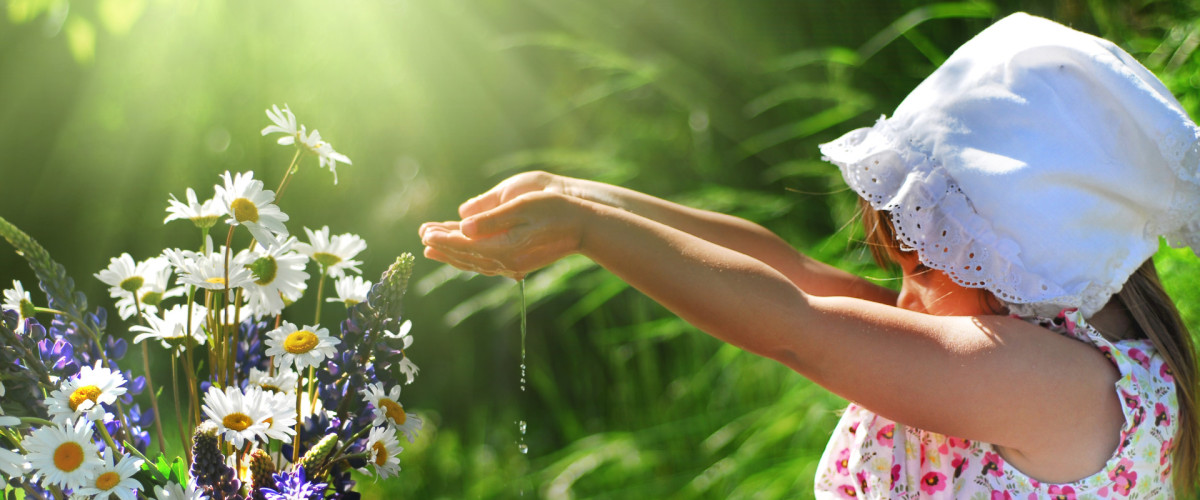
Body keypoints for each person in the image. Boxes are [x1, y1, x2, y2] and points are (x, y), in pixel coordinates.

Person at [420, 13, 1198, 498]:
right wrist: (586, 197)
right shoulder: (1046, 337)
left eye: (923, 261)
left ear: (1013, 247)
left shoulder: (1055, 386)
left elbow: (793, 323)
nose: (902, 294)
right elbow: (793, 273)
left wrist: (592, 235)